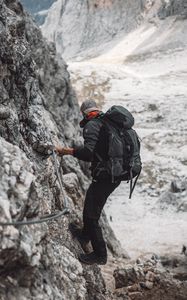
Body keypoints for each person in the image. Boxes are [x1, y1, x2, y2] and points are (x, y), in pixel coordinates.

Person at [56, 99, 121, 265]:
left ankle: (100, 255)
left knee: (91, 215)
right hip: (113, 175)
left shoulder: (93, 124)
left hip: (106, 176)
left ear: (83, 112)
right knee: (92, 207)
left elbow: (88, 154)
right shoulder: (107, 122)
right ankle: (85, 236)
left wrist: (67, 151)